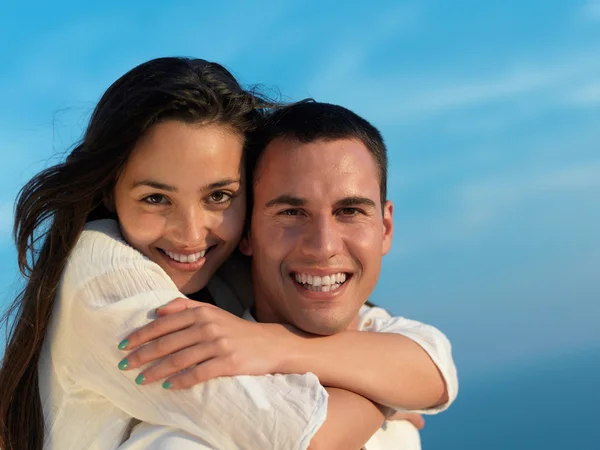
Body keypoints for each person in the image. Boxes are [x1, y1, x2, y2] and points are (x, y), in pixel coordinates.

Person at [0, 57, 455, 450]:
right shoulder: (106, 271)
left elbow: (431, 361)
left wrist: (273, 345)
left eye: (218, 196)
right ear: (109, 190)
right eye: (156, 198)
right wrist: (381, 397)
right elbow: (300, 434)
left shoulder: (221, 277)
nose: (191, 234)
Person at [117, 101, 458, 449]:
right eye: (292, 212)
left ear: (385, 228)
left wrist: (275, 344)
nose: (323, 246)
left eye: (350, 210)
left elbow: (437, 366)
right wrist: (382, 399)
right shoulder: (193, 427)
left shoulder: (379, 333)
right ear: (246, 231)